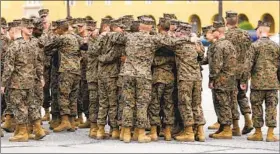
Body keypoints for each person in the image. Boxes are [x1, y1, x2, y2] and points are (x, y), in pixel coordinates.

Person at [1, 18, 46, 142]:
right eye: (29, 28)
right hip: (31, 81)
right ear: (23, 29)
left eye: (32, 28)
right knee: (31, 105)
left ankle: (22, 132)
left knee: (19, 106)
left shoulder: (14, 45)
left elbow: (9, 67)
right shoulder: (34, 44)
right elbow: (39, 63)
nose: (31, 30)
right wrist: (40, 77)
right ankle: (38, 129)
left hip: (18, 83)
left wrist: (3, 84)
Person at [45, 19, 86, 133]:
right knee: (73, 96)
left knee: (63, 96)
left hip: (66, 70)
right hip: (76, 70)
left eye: (56, 29)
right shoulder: (76, 37)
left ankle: (64, 121)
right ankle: (72, 122)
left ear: (60, 29)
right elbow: (85, 45)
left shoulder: (62, 38)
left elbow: (47, 47)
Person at [242, 20, 279, 142]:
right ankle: (270, 134)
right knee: (271, 108)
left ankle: (258, 133)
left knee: (257, 107)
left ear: (259, 31)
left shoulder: (254, 46)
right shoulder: (276, 46)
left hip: (257, 84)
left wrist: (244, 80)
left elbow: (248, 65)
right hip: (272, 84)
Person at [95, 18, 125, 140]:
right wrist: (102, 58)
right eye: (120, 27)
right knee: (113, 104)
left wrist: (99, 58)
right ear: (115, 28)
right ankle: (114, 129)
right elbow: (113, 56)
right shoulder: (116, 39)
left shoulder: (101, 37)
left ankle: (100, 129)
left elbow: (93, 50)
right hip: (111, 75)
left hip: (101, 74)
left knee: (102, 103)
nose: (122, 29)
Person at [224, 10, 253, 135]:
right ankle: (248, 121)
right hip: (243, 71)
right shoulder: (246, 34)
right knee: (242, 95)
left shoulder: (226, 35)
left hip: (231, 71)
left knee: (231, 98)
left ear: (226, 21)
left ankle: (235, 126)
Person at [208, 21, 237, 139]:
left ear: (217, 32)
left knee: (222, 104)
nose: (210, 33)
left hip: (221, 79)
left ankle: (226, 130)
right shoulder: (229, 44)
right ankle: (222, 128)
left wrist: (211, 79)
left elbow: (216, 66)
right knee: (226, 103)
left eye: (212, 31)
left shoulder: (219, 46)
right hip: (230, 79)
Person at [148, 17, 176, 141]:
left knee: (155, 104)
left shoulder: (155, 39)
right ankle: (168, 132)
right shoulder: (173, 40)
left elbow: (150, 59)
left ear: (159, 26)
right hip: (170, 76)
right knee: (168, 104)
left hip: (158, 76)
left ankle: (154, 131)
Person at [38, 9, 52, 122]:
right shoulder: (39, 31)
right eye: (42, 17)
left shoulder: (54, 29)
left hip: (56, 63)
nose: (43, 19)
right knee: (45, 89)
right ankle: (46, 112)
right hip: (44, 65)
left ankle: (58, 115)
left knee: (58, 90)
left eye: (45, 16)